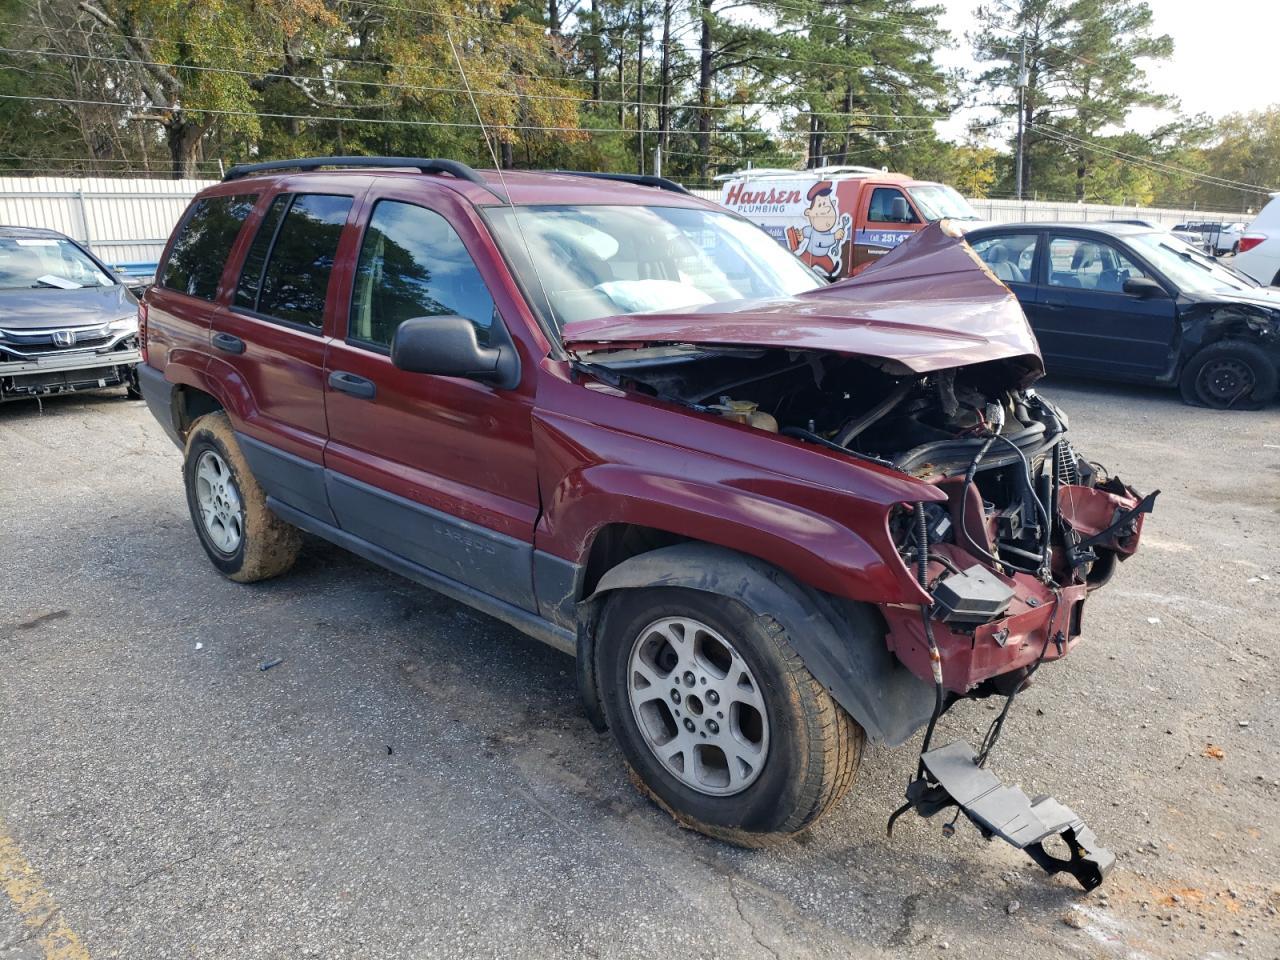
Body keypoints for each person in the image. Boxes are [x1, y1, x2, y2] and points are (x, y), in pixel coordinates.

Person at [786, 181, 848, 278]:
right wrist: (800, 236)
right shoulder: (812, 231)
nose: (827, 209)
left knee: (828, 263)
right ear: (809, 213)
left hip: (822, 254)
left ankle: (831, 269)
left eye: (828, 204)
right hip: (810, 253)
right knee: (802, 263)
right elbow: (820, 241)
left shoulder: (827, 231)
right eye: (820, 205)